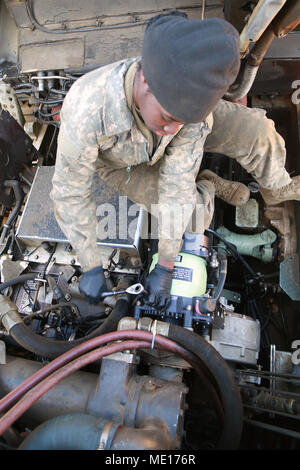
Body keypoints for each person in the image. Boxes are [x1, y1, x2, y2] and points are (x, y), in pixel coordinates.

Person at [51, 11, 300, 308]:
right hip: (122, 164)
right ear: (144, 79)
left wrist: (166, 264)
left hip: (177, 134)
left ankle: (276, 187)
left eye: (182, 121)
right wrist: (90, 263)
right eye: (168, 118)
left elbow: (177, 182)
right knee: (194, 218)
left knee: (258, 132)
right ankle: (209, 184)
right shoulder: (86, 112)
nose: (172, 128)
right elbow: (69, 194)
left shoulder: (186, 115)